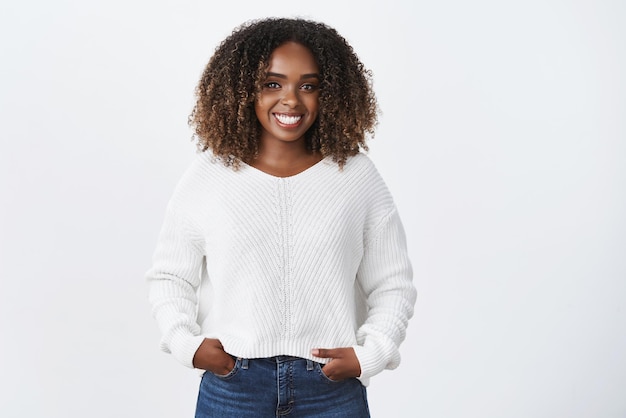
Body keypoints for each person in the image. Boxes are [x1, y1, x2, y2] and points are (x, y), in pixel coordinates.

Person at [146, 17, 417, 417]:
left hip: (331, 392)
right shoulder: (209, 176)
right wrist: (186, 343)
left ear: (331, 94)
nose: (291, 99)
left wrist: (372, 353)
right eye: (272, 83)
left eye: (308, 85)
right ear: (242, 91)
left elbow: (393, 284)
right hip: (233, 387)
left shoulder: (356, 177)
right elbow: (170, 276)